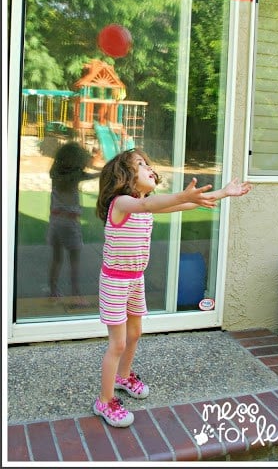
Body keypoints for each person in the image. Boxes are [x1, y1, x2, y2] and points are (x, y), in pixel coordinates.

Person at [93, 147, 252, 427]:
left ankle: (123, 376)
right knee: (117, 343)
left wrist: (224, 193)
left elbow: (189, 204)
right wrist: (182, 195)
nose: (149, 168)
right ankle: (104, 402)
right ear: (124, 176)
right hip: (115, 282)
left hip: (135, 279)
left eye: (148, 163)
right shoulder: (122, 203)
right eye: (141, 164)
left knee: (136, 333)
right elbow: (147, 205)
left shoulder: (147, 205)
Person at [47, 141, 101, 306]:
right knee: (74, 262)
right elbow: (94, 173)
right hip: (70, 223)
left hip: (55, 222)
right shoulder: (77, 175)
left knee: (57, 260)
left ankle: (53, 292)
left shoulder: (55, 173)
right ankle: (76, 295)